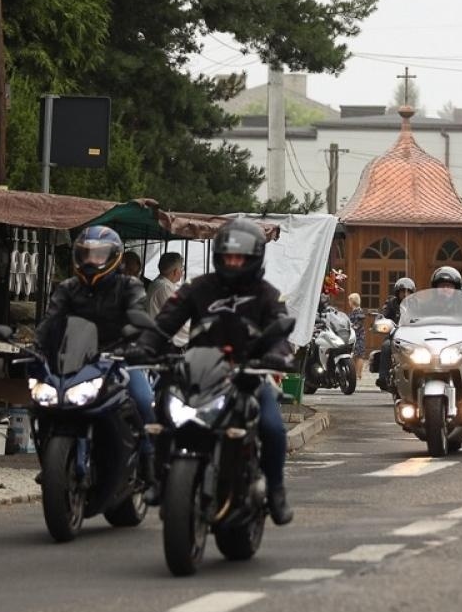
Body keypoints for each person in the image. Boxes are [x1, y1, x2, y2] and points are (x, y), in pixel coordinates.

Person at [146, 219, 294, 525]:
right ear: (218, 256)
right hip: (200, 373)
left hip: (249, 375)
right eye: (228, 256)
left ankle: (276, 491)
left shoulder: (267, 294)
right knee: (161, 409)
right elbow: (164, 323)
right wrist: (146, 345)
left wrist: (276, 356)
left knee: (272, 427)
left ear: (253, 259)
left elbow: (279, 333)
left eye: (240, 257)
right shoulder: (197, 289)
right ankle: (160, 480)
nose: (233, 262)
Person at [35, 225, 160, 482]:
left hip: (117, 358)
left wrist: (139, 345)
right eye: (86, 255)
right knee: (41, 402)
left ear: (114, 257)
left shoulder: (129, 287)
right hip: (76, 359)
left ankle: (149, 457)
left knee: (143, 399)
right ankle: (50, 460)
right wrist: (37, 347)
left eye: (99, 255)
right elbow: (51, 321)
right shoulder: (68, 288)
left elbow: (139, 318)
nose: (92, 261)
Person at [374, 276, 416, 390]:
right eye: (403, 291)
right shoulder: (391, 303)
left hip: (413, 337)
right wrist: (380, 320)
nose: (405, 294)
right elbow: (383, 315)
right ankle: (383, 377)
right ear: (398, 292)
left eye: (408, 291)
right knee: (386, 346)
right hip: (395, 335)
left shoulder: (416, 304)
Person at [145, 251, 185, 319]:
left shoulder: (159, 283)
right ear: (176, 271)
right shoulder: (164, 288)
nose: (182, 272)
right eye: (181, 268)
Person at [345, 291, 367, 381]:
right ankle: (353, 374)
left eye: (349, 301)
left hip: (358, 336)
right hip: (354, 336)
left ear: (352, 301)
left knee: (359, 356)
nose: (348, 303)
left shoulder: (359, 312)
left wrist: (350, 326)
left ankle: (358, 375)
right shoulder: (354, 311)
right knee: (354, 355)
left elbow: (357, 325)